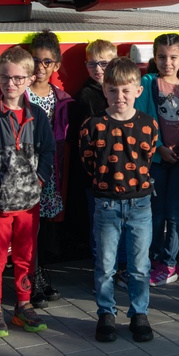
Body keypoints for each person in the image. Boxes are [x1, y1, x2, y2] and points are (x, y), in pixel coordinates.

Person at [0, 47, 55, 338]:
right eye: (5, 78)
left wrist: (39, 180)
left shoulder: (38, 117)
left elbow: (47, 151)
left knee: (25, 256)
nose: (12, 84)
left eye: (19, 78)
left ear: (30, 79)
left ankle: (23, 305)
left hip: (29, 203)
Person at [80, 58, 159, 342]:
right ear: (104, 90)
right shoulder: (93, 125)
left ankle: (139, 313)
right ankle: (106, 313)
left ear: (138, 91)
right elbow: (88, 161)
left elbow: (148, 158)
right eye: (113, 90)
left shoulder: (149, 125)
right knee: (105, 265)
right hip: (107, 204)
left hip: (140, 205)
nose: (119, 97)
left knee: (140, 266)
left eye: (126, 90)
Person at [134, 33, 179, 286]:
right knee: (155, 212)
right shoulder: (149, 82)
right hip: (156, 160)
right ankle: (154, 259)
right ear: (154, 57)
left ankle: (170, 263)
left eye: (173, 57)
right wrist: (159, 147)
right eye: (162, 57)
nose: (167, 63)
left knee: (175, 213)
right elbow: (142, 119)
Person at [26, 30, 74, 306]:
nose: (40, 67)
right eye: (35, 60)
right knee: (27, 228)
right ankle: (30, 280)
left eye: (47, 62)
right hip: (26, 172)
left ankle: (42, 274)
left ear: (56, 65)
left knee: (45, 228)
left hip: (50, 174)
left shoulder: (62, 98)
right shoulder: (22, 94)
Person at [72, 39, 118, 264]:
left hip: (119, 170)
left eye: (103, 63)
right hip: (96, 174)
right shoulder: (84, 97)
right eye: (92, 64)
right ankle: (101, 268)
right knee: (99, 224)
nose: (98, 69)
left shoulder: (119, 93)